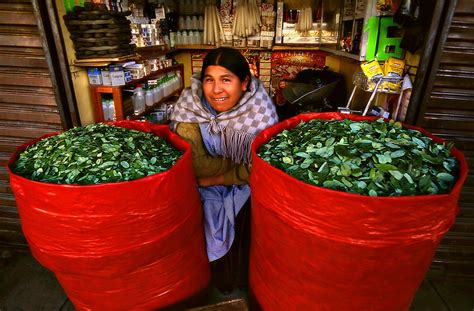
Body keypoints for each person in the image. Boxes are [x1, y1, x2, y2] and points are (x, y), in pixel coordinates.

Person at [168, 47, 278, 270]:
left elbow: (261, 167)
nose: (216, 89)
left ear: (244, 82)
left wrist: (214, 180)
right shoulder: (190, 103)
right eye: (209, 80)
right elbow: (196, 165)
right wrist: (229, 166)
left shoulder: (260, 113)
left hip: (247, 191)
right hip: (196, 189)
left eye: (226, 79)